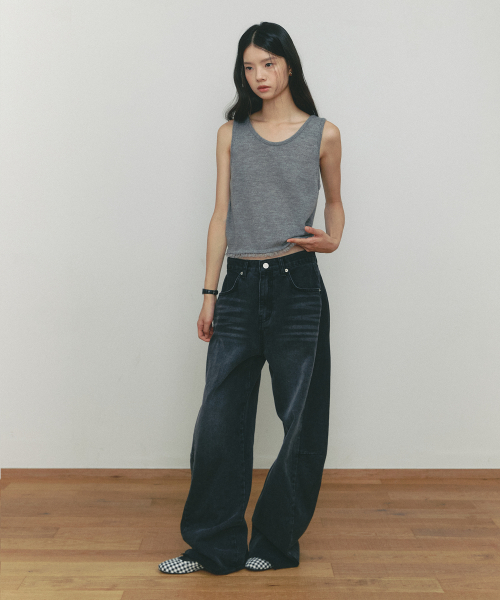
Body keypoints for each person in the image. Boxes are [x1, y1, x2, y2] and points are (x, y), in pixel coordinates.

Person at [159, 21, 344, 576]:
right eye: (249, 67)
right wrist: (209, 293)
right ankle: (213, 547)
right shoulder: (231, 133)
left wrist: (334, 238)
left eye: (268, 63)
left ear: (288, 64)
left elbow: (336, 203)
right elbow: (220, 215)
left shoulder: (323, 134)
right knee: (219, 422)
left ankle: (276, 541)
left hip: (297, 286)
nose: (259, 75)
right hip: (238, 287)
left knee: (302, 421)